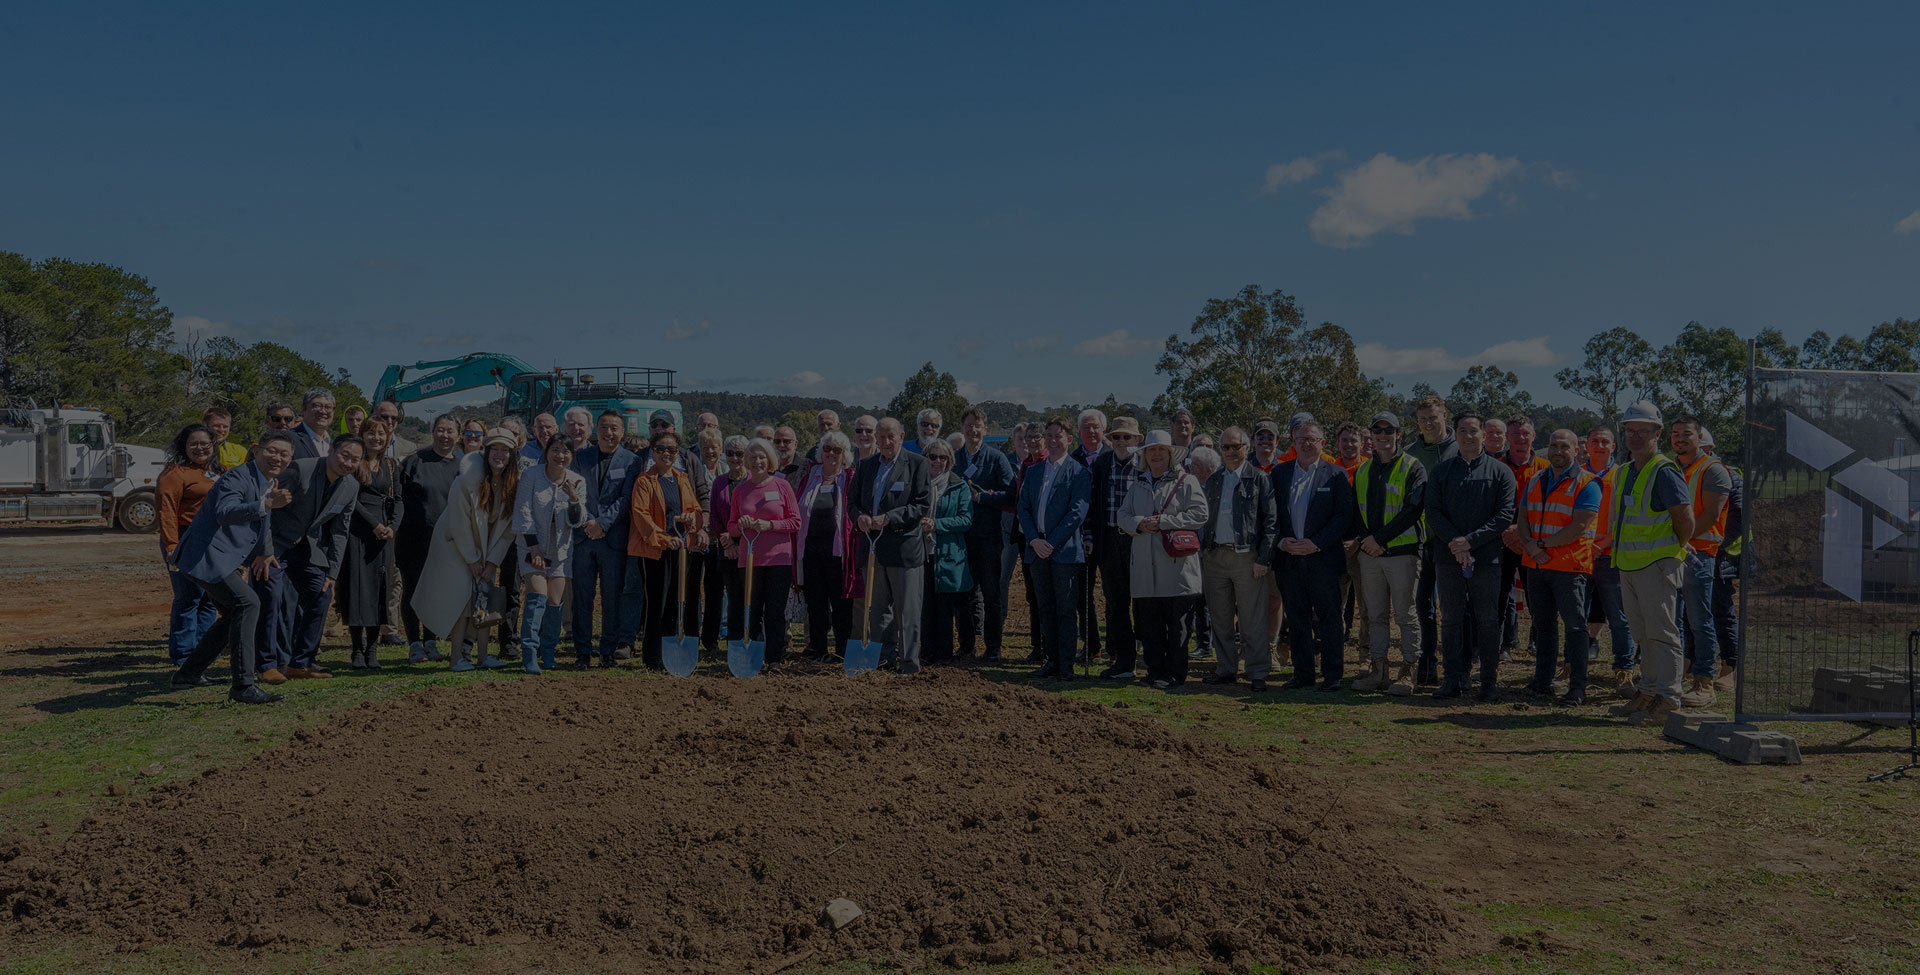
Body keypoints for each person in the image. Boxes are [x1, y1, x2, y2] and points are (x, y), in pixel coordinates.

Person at [168, 432, 297, 703]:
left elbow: (263, 522)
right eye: (272, 451)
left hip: (218, 558)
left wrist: (265, 551)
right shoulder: (237, 477)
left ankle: (188, 674)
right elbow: (225, 512)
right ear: (257, 451)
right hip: (204, 556)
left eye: (284, 454)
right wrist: (265, 503)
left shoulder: (268, 481)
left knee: (233, 614)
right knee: (247, 604)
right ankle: (243, 686)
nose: (278, 458)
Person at [1609, 401, 1696, 725]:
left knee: (1662, 634)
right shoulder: (1625, 471)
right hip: (1630, 564)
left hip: (1657, 565)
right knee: (1643, 633)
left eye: (1642, 431)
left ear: (1657, 434)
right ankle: (1647, 692)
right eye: (1630, 430)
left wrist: (1675, 549)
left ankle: (1668, 698)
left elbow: (1684, 519)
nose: (1634, 436)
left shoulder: (1664, 471)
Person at [1425, 411, 1517, 702]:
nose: (1468, 436)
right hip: (1448, 557)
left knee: (1488, 621)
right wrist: (1456, 542)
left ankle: (1488, 683)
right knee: (1451, 619)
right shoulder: (1441, 471)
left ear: (1483, 435)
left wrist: (1470, 541)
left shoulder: (1500, 472)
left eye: (1473, 430)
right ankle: (1453, 680)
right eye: (1462, 431)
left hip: (1487, 559)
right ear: (1455, 434)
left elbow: (1504, 515)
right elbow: (1432, 511)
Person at [412, 429, 519, 671]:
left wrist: (492, 563)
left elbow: (507, 531)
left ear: (512, 455)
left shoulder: (512, 485)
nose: (499, 454)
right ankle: (456, 658)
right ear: (486, 452)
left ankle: (483, 657)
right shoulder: (465, 482)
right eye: (495, 449)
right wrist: (472, 559)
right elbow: (458, 523)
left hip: (486, 550)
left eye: (505, 450)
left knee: (485, 599)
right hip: (456, 547)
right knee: (461, 602)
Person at [1506, 428, 1600, 706]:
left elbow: (1579, 526)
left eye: (1564, 447)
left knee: (1575, 628)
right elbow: (1523, 518)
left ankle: (1577, 687)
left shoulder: (1588, 483)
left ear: (1576, 451)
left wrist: (1539, 545)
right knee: (1543, 626)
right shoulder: (1536, 478)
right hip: (1537, 566)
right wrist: (1530, 546)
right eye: (1554, 446)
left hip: (1569, 568)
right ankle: (1542, 682)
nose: (1558, 451)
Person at [267, 434, 364, 680]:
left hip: (308, 549)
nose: (347, 463)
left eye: (354, 460)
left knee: (321, 595)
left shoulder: (351, 486)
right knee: (271, 598)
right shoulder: (300, 469)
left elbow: (340, 531)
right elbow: (266, 508)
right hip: (276, 546)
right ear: (331, 450)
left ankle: (301, 663)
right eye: (344, 455)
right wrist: (263, 550)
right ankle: (268, 664)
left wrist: (332, 572)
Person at [1268, 421, 1356, 691]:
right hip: (1288, 559)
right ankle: (1303, 674)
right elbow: (1270, 514)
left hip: (1323, 560)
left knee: (1330, 619)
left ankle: (1332, 675)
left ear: (1323, 444)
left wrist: (1316, 543)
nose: (1307, 444)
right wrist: (1281, 541)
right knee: (1297, 619)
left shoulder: (1336, 475)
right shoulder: (1280, 473)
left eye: (1312, 439)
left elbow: (1344, 516)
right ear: (1294, 442)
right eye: (1302, 439)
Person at [1118, 430, 1208, 689]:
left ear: (1170, 455)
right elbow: (1122, 515)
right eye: (1151, 450)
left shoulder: (1187, 481)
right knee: (1149, 625)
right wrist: (1139, 524)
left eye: (1161, 450)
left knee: (1178, 627)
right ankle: (1154, 671)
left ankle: (1175, 675)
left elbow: (1201, 514)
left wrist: (1165, 521)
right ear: (1145, 455)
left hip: (1177, 568)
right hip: (1145, 569)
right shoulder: (1137, 485)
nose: (1156, 454)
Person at [1347, 412, 1428, 696]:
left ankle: (1408, 671)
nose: (1383, 436)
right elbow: (1356, 511)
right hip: (1370, 556)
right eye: (1377, 431)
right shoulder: (1362, 471)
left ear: (1398, 434)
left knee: (1405, 615)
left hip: (1402, 554)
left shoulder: (1413, 467)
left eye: (1388, 431)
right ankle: (1378, 671)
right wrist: (1365, 540)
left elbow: (1412, 510)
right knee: (1375, 615)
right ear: (1370, 435)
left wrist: (1378, 540)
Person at [1198, 430, 1278, 690]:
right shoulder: (1214, 479)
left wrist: (1263, 559)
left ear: (1246, 447)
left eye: (1235, 446)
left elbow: (1271, 522)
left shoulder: (1259, 479)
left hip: (1247, 557)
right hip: (1215, 557)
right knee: (1220, 618)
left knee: (1252, 620)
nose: (1230, 452)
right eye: (1225, 447)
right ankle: (1225, 668)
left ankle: (1257, 671)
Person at [851, 419, 932, 673]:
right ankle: (882, 660)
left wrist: (889, 518)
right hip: (872, 548)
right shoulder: (866, 465)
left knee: (906, 611)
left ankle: (908, 663)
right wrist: (860, 517)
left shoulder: (917, 464)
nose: (886, 443)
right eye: (881, 437)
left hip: (903, 549)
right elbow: (852, 501)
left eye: (891, 437)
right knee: (878, 610)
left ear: (902, 436)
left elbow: (921, 505)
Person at [1017, 415, 1091, 681]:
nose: (1052, 440)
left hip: (1064, 552)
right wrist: (1033, 539)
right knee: (1045, 608)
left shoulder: (1079, 472)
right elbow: (1023, 507)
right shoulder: (1034, 471)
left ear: (1069, 439)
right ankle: (1051, 660)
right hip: (1036, 549)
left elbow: (1077, 513)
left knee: (1065, 611)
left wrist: (1051, 542)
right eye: (1048, 435)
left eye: (1057, 436)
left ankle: (1066, 665)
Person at [628, 429, 707, 671]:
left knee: (675, 601)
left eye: (671, 449)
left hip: (680, 548)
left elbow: (694, 509)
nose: (666, 453)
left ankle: (670, 653)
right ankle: (653, 656)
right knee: (657, 603)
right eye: (661, 449)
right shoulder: (645, 481)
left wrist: (692, 521)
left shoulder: (682, 479)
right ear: (652, 452)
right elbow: (640, 515)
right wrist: (663, 539)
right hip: (655, 551)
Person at [569, 410, 641, 668]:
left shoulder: (632, 461)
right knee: (582, 598)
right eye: (604, 428)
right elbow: (575, 494)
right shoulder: (580, 458)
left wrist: (603, 523)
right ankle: (582, 652)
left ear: (622, 432)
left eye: (614, 428)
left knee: (612, 599)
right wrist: (590, 522)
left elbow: (626, 498)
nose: (609, 433)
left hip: (613, 539)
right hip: (584, 537)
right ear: (595, 430)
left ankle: (608, 651)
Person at [1670, 414, 1731, 708]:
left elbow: (1710, 515)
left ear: (1700, 438)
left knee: (1699, 619)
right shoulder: (1669, 468)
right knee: (1672, 620)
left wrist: (1679, 539)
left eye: (1687, 434)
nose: (1680, 439)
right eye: (1675, 434)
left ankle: (1704, 682)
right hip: (1671, 553)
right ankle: (1672, 679)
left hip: (1699, 554)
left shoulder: (1713, 470)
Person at [512, 435, 586, 674]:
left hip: (561, 551)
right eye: (555, 450)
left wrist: (573, 498)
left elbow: (578, 521)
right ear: (546, 452)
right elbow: (523, 511)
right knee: (537, 598)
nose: (560, 456)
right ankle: (530, 653)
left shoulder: (577, 481)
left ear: (572, 455)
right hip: (531, 546)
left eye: (565, 451)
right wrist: (534, 548)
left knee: (555, 602)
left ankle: (548, 651)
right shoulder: (531, 475)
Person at [729, 437, 802, 665]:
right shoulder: (740, 491)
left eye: (761, 457)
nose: (757, 461)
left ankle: (773, 658)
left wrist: (770, 525)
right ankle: (753, 656)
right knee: (752, 610)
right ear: (747, 461)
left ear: (769, 459)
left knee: (775, 611)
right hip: (750, 560)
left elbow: (795, 522)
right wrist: (741, 525)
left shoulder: (782, 486)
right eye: (752, 457)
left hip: (779, 560)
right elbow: (731, 526)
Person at [398, 415, 464, 661]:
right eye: (440, 430)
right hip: (413, 539)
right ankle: (414, 644)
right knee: (413, 590)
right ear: (432, 431)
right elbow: (398, 499)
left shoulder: (462, 467)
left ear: (458, 436)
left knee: (436, 592)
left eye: (450, 431)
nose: (444, 435)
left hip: (446, 542)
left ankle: (431, 641)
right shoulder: (414, 462)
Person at [1403, 394, 1458, 687]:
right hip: (1421, 541)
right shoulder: (1410, 454)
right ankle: (1426, 664)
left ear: (1444, 416)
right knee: (1422, 606)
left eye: (1433, 418)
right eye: (1422, 419)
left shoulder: (1461, 448)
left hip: (1453, 541)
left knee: (1454, 608)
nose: (1427, 423)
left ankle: (1456, 666)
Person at [336, 419, 400, 669]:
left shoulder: (391, 466)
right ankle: (356, 649)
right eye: (371, 433)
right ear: (362, 436)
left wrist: (392, 526)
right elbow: (351, 499)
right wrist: (374, 524)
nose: (376, 438)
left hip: (384, 536)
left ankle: (372, 650)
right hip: (358, 533)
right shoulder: (354, 464)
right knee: (357, 591)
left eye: (381, 433)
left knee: (379, 592)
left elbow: (399, 499)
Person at [955, 407, 1017, 661]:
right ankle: (966, 646)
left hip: (989, 537)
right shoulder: (954, 459)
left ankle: (993, 648)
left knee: (991, 594)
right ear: (962, 428)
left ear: (985, 429)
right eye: (969, 425)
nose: (973, 430)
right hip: (960, 538)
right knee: (964, 594)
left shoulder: (996, 458)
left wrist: (981, 497)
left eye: (978, 425)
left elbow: (1010, 494)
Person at [158, 424, 222, 665]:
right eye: (193, 443)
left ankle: (206, 653)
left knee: (210, 598)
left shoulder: (216, 472)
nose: (200, 448)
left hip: (213, 540)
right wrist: (172, 545)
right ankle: (184, 655)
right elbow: (166, 511)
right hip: (185, 537)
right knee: (189, 597)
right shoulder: (175, 473)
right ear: (183, 446)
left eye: (205, 443)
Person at [1083, 417, 1142, 676]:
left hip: (1138, 540)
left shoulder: (1145, 465)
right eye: (1116, 437)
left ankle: (1149, 657)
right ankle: (1123, 659)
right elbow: (1091, 504)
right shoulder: (1102, 463)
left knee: (1143, 602)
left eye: (1127, 437)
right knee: (1116, 603)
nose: (1121, 441)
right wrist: (1088, 536)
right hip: (1108, 539)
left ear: (1137, 439)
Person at [1582, 426, 1636, 694]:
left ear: (1613, 447)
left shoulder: (1622, 475)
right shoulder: (1577, 474)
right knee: (1576, 616)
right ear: (1586, 445)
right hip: (1580, 556)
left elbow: (1628, 515)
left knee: (1618, 617)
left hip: (1610, 556)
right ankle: (1573, 667)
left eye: (1605, 442)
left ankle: (1624, 671)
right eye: (1595, 441)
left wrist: (1603, 543)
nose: (1599, 446)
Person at [795, 431, 858, 661]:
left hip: (839, 551)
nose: (831, 453)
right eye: (827, 449)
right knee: (815, 601)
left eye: (837, 450)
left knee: (841, 603)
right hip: (811, 550)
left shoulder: (850, 478)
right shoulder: (810, 476)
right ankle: (818, 648)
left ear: (844, 454)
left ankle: (842, 651)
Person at [1497, 416, 1550, 660]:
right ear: (1507, 437)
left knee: (1537, 596)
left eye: (1525, 434)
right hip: (1502, 539)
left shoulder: (1545, 468)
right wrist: (1506, 532)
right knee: (1500, 596)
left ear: (1533, 436)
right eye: (1515, 434)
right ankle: (1502, 645)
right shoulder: (1496, 465)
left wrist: (1522, 533)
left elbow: (1549, 506)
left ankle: (1537, 643)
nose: (1520, 439)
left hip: (1533, 540)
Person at [920, 439, 976, 663]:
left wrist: (937, 524)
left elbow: (966, 519)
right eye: (932, 456)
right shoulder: (917, 483)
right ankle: (926, 653)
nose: (937, 461)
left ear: (949, 461)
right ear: (925, 458)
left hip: (948, 553)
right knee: (925, 606)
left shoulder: (958, 485)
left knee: (945, 607)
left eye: (942, 457)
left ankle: (944, 655)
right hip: (921, 553)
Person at [1703, 429, 1744, 692]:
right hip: (1694, 553)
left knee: (1721, 609)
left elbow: (1737, 518)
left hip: (1721, 556)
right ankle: (1690, 663)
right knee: (1689, 611)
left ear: (1709, 449)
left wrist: (1714, 545)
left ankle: (1730, 666)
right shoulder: (1686, 474)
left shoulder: (1730, 476)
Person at [703, 436, 750, 653]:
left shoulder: (753, 481)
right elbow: (714, 516)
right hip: (726, 549)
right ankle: (733, 643)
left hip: (750, 548)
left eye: (739, 454)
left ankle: (750, 639)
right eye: (730, 453)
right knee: (732, 597)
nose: (734, 458)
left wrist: (740, 543)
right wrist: (727, 541)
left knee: (749, 597)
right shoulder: (719, 482)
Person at [1071, 408, 1108, 667]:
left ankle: (1117, 648)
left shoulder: (1113, 456)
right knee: (1083, 595)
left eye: (1095, 427)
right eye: (1086, 427)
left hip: (1110, 535)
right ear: (1079, 431)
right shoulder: (1073, 459)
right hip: (1082, 536)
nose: (1091, 432)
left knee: (1115, 594)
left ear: (1103, 430)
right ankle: (1092, 646)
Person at [288, 388, 334, 460]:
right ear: (304, 408)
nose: (323, 411)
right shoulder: (289, 438)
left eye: (328, 407)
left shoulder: (335, 444)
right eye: (317, 406)